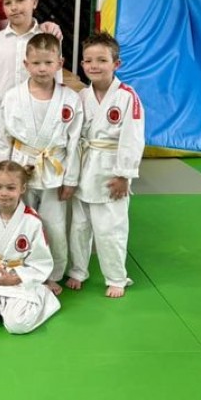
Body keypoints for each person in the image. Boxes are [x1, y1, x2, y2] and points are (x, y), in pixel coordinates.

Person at [0, 33, 82, 294]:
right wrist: (2, 174)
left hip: (55, 168)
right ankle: (19, 266)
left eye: (48, 62)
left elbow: (76, 143)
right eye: (36, 63)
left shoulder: (71, 99)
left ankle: (53, 272)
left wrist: (71, 179)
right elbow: (4, 138)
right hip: (20, 167)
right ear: (26, 65)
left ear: (60, 63)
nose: (42, 69)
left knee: (54, 225)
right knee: (20, 220)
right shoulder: (12, 96)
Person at [66, 32, 145, 298]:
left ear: (116, 64)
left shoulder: (126, 97)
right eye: (88, 60)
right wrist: (70, 174)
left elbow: (132, 138)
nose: (94, 65)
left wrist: (124, 175)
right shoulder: (81, 97)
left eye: (102, 59)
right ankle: (78, 270)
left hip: (111, 171)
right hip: (84, 168)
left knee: (110, 228)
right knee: (78, 227)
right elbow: (74, 137)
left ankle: (116, 277)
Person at [0, 161, 60, 334]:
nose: (3, 193)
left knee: (17, 325)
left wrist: (17, 278)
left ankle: (43, 294)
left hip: (19, 275)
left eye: (11, 188)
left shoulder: (32, 221)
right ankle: (5, 304)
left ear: (22, 189)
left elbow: (41, 261)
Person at [0, 0, 63, 153]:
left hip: (35, 128)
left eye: (20, 0)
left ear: (34, 2)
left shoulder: (48, 40)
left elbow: (57, 85)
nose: (14, 7)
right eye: (8, 3)